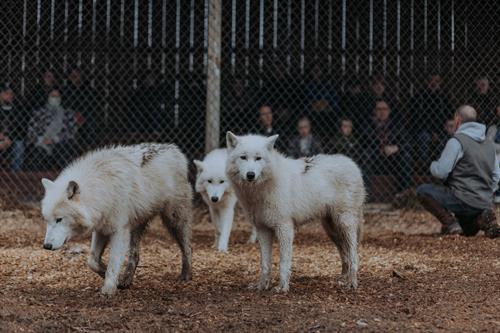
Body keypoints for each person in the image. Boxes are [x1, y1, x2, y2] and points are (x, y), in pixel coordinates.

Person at [416, 105, 500, 237]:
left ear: (457, 120)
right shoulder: (489, 144)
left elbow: (441, 172)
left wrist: (432, 165)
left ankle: (450, 223)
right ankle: (482, 218)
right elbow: (496, 176)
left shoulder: (457, 141)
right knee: (467, 230)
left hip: (462, 199)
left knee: (423, 190)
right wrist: (484, 193)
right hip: (484, 201)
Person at [365, 100, 412, 195]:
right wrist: (380, 149)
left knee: (405, 156)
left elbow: (408, 143)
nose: (382, 112)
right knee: (366, 154)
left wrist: (396, 147)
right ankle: (366, 192)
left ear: (389, 111)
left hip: (393, 159)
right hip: (376, 159)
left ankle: (403, 191)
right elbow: (364, 142)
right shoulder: (368, 125)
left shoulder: (396, 125)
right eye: (379, 109)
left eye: (385, 109)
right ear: (374, 111)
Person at [26, 88, 78, 170]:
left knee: (64, 152)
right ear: (48, 97)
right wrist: (41, 139)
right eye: (53, 96)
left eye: (57, 96)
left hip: (60, 143)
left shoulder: (68, 113)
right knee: (37, 156)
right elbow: (31, 131)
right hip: (41, 143)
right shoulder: (39, 112)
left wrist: (55, 139)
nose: (55, 98)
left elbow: (71, 132)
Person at [409, 74, 453, 164]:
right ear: (426, 82)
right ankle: (424, 165)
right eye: (430, 81)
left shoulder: (444, 98)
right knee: (424, 137)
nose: (433, 83)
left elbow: (449, 117)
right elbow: (416, 119)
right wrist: (432, 132)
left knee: (444, 141)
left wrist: (439, 131)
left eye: (436, 81)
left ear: (440, 83)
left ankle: (441, 166)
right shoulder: (418, 98)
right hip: (422, 129)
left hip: (441, 130)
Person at [63, 68, 99, 150]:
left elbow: (91, 103)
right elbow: (65, 105)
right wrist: (74, 114)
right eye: (72, 75)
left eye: (76, 75)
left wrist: (81, 113)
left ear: (81, 76)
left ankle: (90, 145)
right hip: (72, 114)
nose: (74, 77)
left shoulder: (88, 89)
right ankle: (70, 145)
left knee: (91, 117)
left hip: (85, 114)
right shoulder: (66, 90)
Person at [0, 84, 28, 171]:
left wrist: (9, 138)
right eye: (6, 93)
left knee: (19, 145)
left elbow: (22, 129)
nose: (10, 96)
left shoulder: (18, 109)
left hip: (12, 138)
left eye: (11, 94)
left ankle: (15, 174)